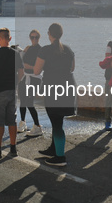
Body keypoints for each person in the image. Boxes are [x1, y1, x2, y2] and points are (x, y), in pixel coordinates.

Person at [34, 23, 76, 167]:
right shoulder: (68, 50)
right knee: (57, 120)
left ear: (49, 34)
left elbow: (36, 71)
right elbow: (72, 68)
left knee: (57, 123)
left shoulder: (45, 50)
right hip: (67, 87)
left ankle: (60, 157)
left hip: (53, 88)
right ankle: (53, 149)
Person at [0, 28, 23, 158]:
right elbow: (21, 72)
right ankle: (13, 148)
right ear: (10, 38)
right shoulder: (16, 53)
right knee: (12, 120)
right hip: (12, 90)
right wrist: (16, 84)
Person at [19, 29, 43, 136]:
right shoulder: (28, 48)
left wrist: (28, 66)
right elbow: (21, 61)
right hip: (25, 77)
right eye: (32, 37)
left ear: (39, 38)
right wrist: (24, 52)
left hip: (35, 79)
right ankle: (22, 123)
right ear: (30, 38)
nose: (34, 39)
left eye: (36, 37)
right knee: (22, 101)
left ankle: (37, 126)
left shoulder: (41, 50)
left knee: (29, 102)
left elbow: (40, 67)